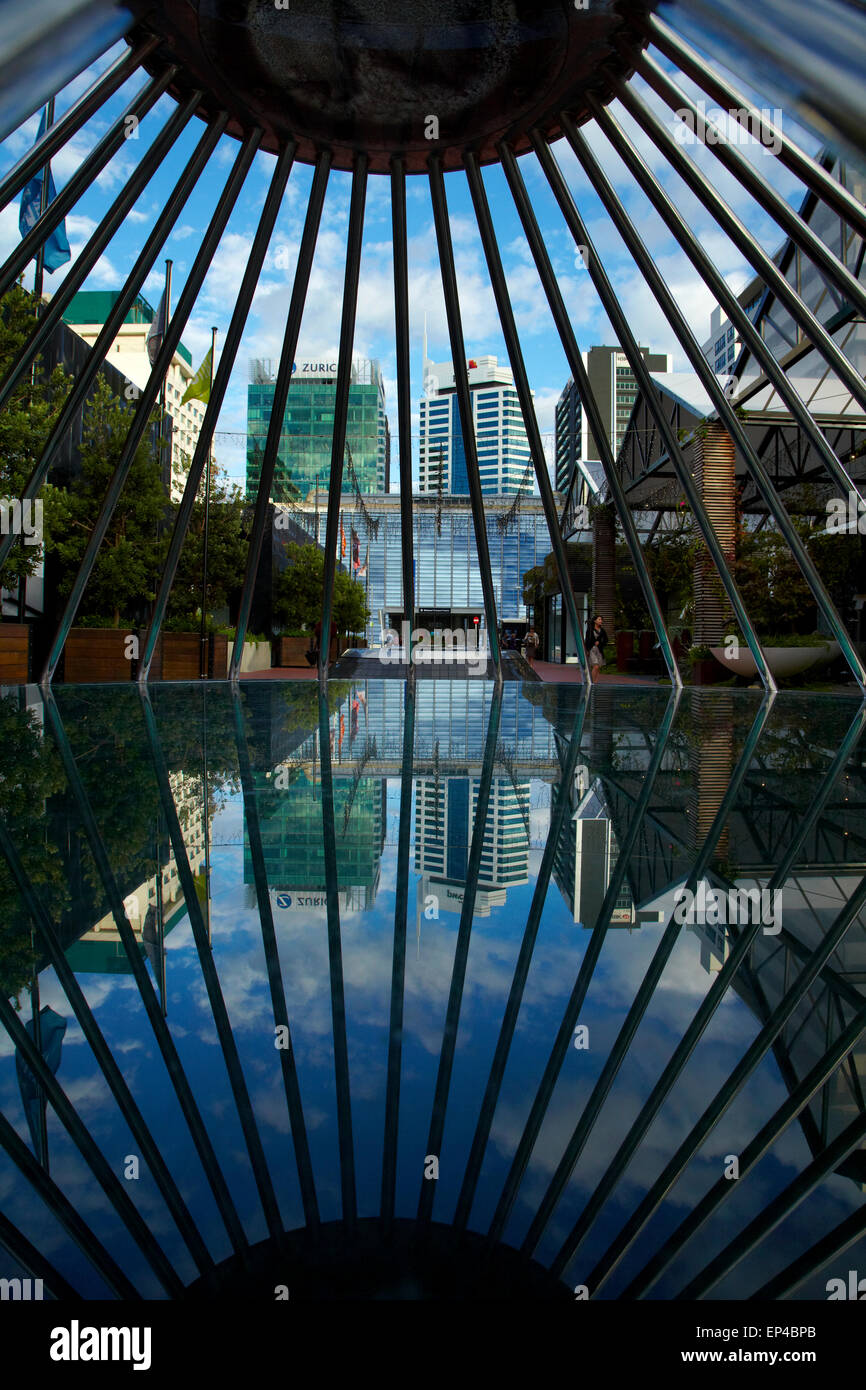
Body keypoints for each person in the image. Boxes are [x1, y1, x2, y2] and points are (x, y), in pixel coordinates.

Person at [585, 614, 608, 683]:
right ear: (595, 621)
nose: (601, 621)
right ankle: (591, 681)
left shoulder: (602, 630)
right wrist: (587, 650)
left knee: (598, 667)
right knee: (596, 666)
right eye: (599, 619)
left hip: (599, 650)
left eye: (601, 619)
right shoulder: (590, 630)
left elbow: (606, 640)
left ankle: (596, 682)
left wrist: (600, 643)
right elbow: (587, 641)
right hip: (592, 649)